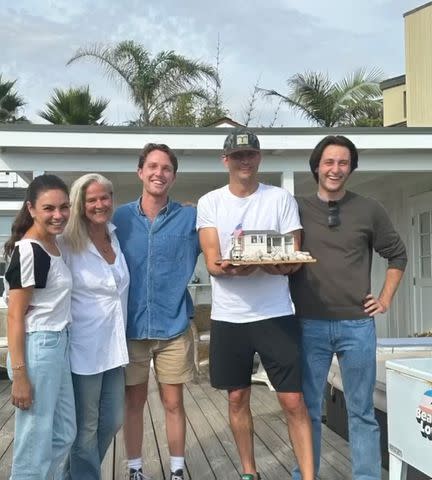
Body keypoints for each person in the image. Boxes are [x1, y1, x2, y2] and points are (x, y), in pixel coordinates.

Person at [196, 127, 314, 480]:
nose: (244, 160)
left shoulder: (280, 199)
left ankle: (308, 476)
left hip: (276, 313)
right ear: (226, 160)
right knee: (236, 398)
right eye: (237, 155)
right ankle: (249, 472)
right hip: (229, 318)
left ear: (258, 158)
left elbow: (293, 258)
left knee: (293, 400)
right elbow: (214, 262)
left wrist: (273, 264)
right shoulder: (210, 202)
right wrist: (236, 269)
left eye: (250, 154)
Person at [290, 135, 407, 480]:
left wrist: (384, 298)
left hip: (357, 326)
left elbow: (397, 255)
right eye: (329, 162)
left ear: (351, 168)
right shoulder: (295, 207)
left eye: (343, 162)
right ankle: (305, 475)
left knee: (361, 412)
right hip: (308, 324)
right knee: (307, 409)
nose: (335, 169)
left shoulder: (370, 209)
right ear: (316, 166)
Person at [112, 143, 200, 480]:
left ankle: (177, 470)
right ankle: (135, 470)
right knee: (133, 403)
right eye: (152, 166)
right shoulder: (118, 218)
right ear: (140, 172)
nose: (158, 173)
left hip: (173, 326)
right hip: (130, 328)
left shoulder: (191, 217)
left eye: (165, 168)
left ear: (173, 176)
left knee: (173, 403)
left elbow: (224, 236)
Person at [4, 174, 76, 479]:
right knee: (34, 441)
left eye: (63, 207)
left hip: (58, 344)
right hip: (37, 349)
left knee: (64, 432)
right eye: (49, 208)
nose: (58, 215)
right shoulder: (30, 250)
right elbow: (14, 316)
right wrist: (20, 376)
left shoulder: (53, 245)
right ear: (31, 209)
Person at [59, 173, 129, 479]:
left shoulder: (114, 235)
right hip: (83, 350)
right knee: (85, 428)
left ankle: (69, 475)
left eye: (105, 198)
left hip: (115, 346)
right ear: (80, 204)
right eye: (92, 199)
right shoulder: (66, 242)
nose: (100, 204)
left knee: (112, 419)